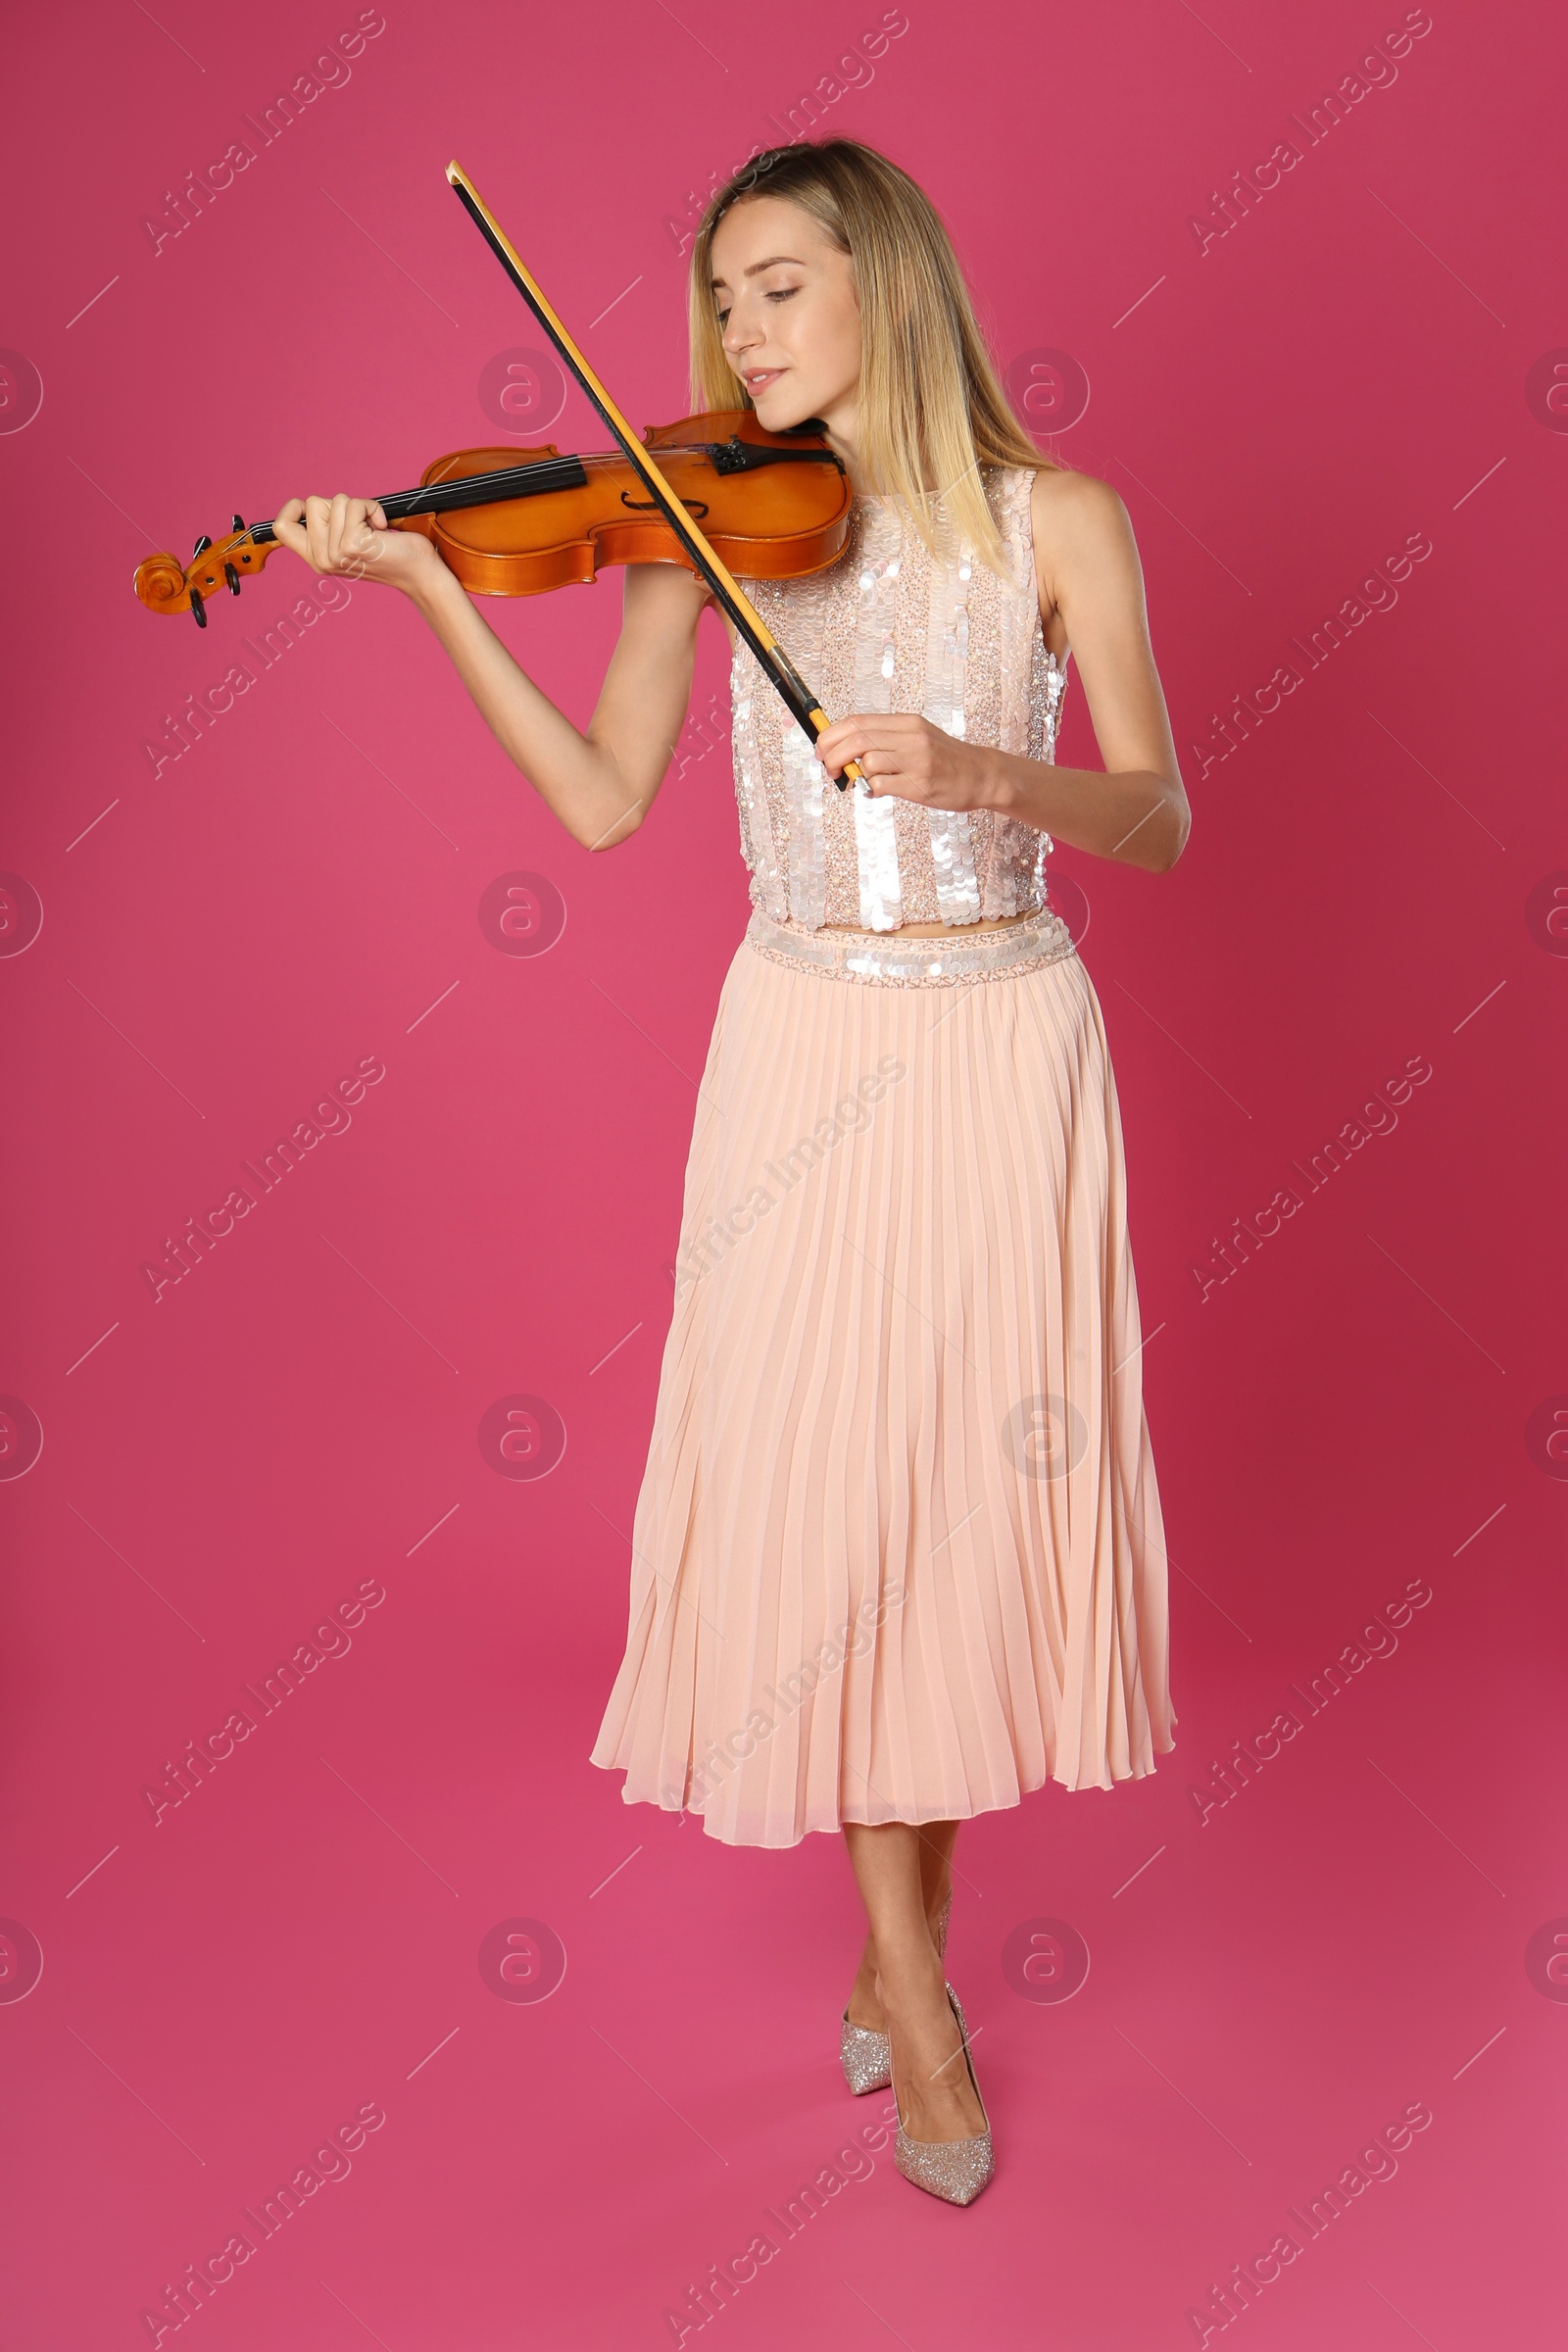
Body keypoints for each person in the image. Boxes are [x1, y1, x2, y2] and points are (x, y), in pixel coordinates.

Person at [272, 134, 1186, 2209]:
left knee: (955, 1503)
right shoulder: (691, 527)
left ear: (886, 281)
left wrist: (980, 771)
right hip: (804, 1048)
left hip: (1002, 1036)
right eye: (720, 298)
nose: (734, 331)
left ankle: (899, 1947)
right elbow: (603, 804)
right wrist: (429, 588)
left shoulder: (1063, 525)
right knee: (846, 1508)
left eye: (775, 284)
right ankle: (916, 2001)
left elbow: (1153, 821)